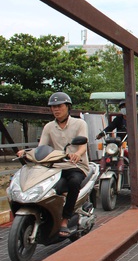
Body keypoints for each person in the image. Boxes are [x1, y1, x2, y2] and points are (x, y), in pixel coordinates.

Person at [18, 92, 89, 237]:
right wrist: (26, 153)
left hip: (75, 166)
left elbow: (83, 145)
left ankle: (65, 219)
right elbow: (41, 147)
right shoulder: (49, 127)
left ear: (68, 107)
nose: (56, 109)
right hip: (55, 167)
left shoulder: (79, 123)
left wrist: (77, 154)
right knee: (45, 187)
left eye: (59, 106)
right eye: (53, 107)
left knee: (73, 182)